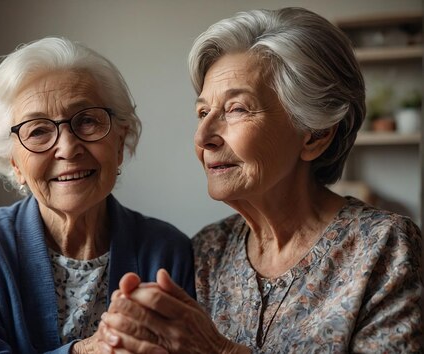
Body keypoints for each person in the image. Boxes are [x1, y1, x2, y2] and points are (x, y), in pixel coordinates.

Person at [98, 7, 423, 353]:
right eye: (203, 112)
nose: (203, 136)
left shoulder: (383, 247)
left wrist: (219, 351)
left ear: (315, 134)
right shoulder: (207, 251)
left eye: (237, 109)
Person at [0, 37, 195, 353]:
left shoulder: (167, 251)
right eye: (38, 130)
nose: (68, 148)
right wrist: (84, 351)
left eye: (87, 121)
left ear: (119, 144)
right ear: (15, 163)